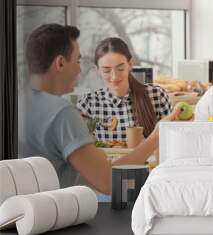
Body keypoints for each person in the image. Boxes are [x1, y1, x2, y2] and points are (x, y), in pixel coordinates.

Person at [18, 24, 180, 194]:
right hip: (59, 212)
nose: (80, 69)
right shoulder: (63, 113)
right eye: (77, 60)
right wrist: (157, 135)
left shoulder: (16, 106)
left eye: (120, 68)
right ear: (60, 63)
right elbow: (107, 181)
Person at [77, 37, 171, 142]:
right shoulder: (88, 104)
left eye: (120, 69)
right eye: (106, 71)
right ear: (98, 70)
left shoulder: (157, 96)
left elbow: (170, 141)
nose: (114, 77)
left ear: (130, 64)